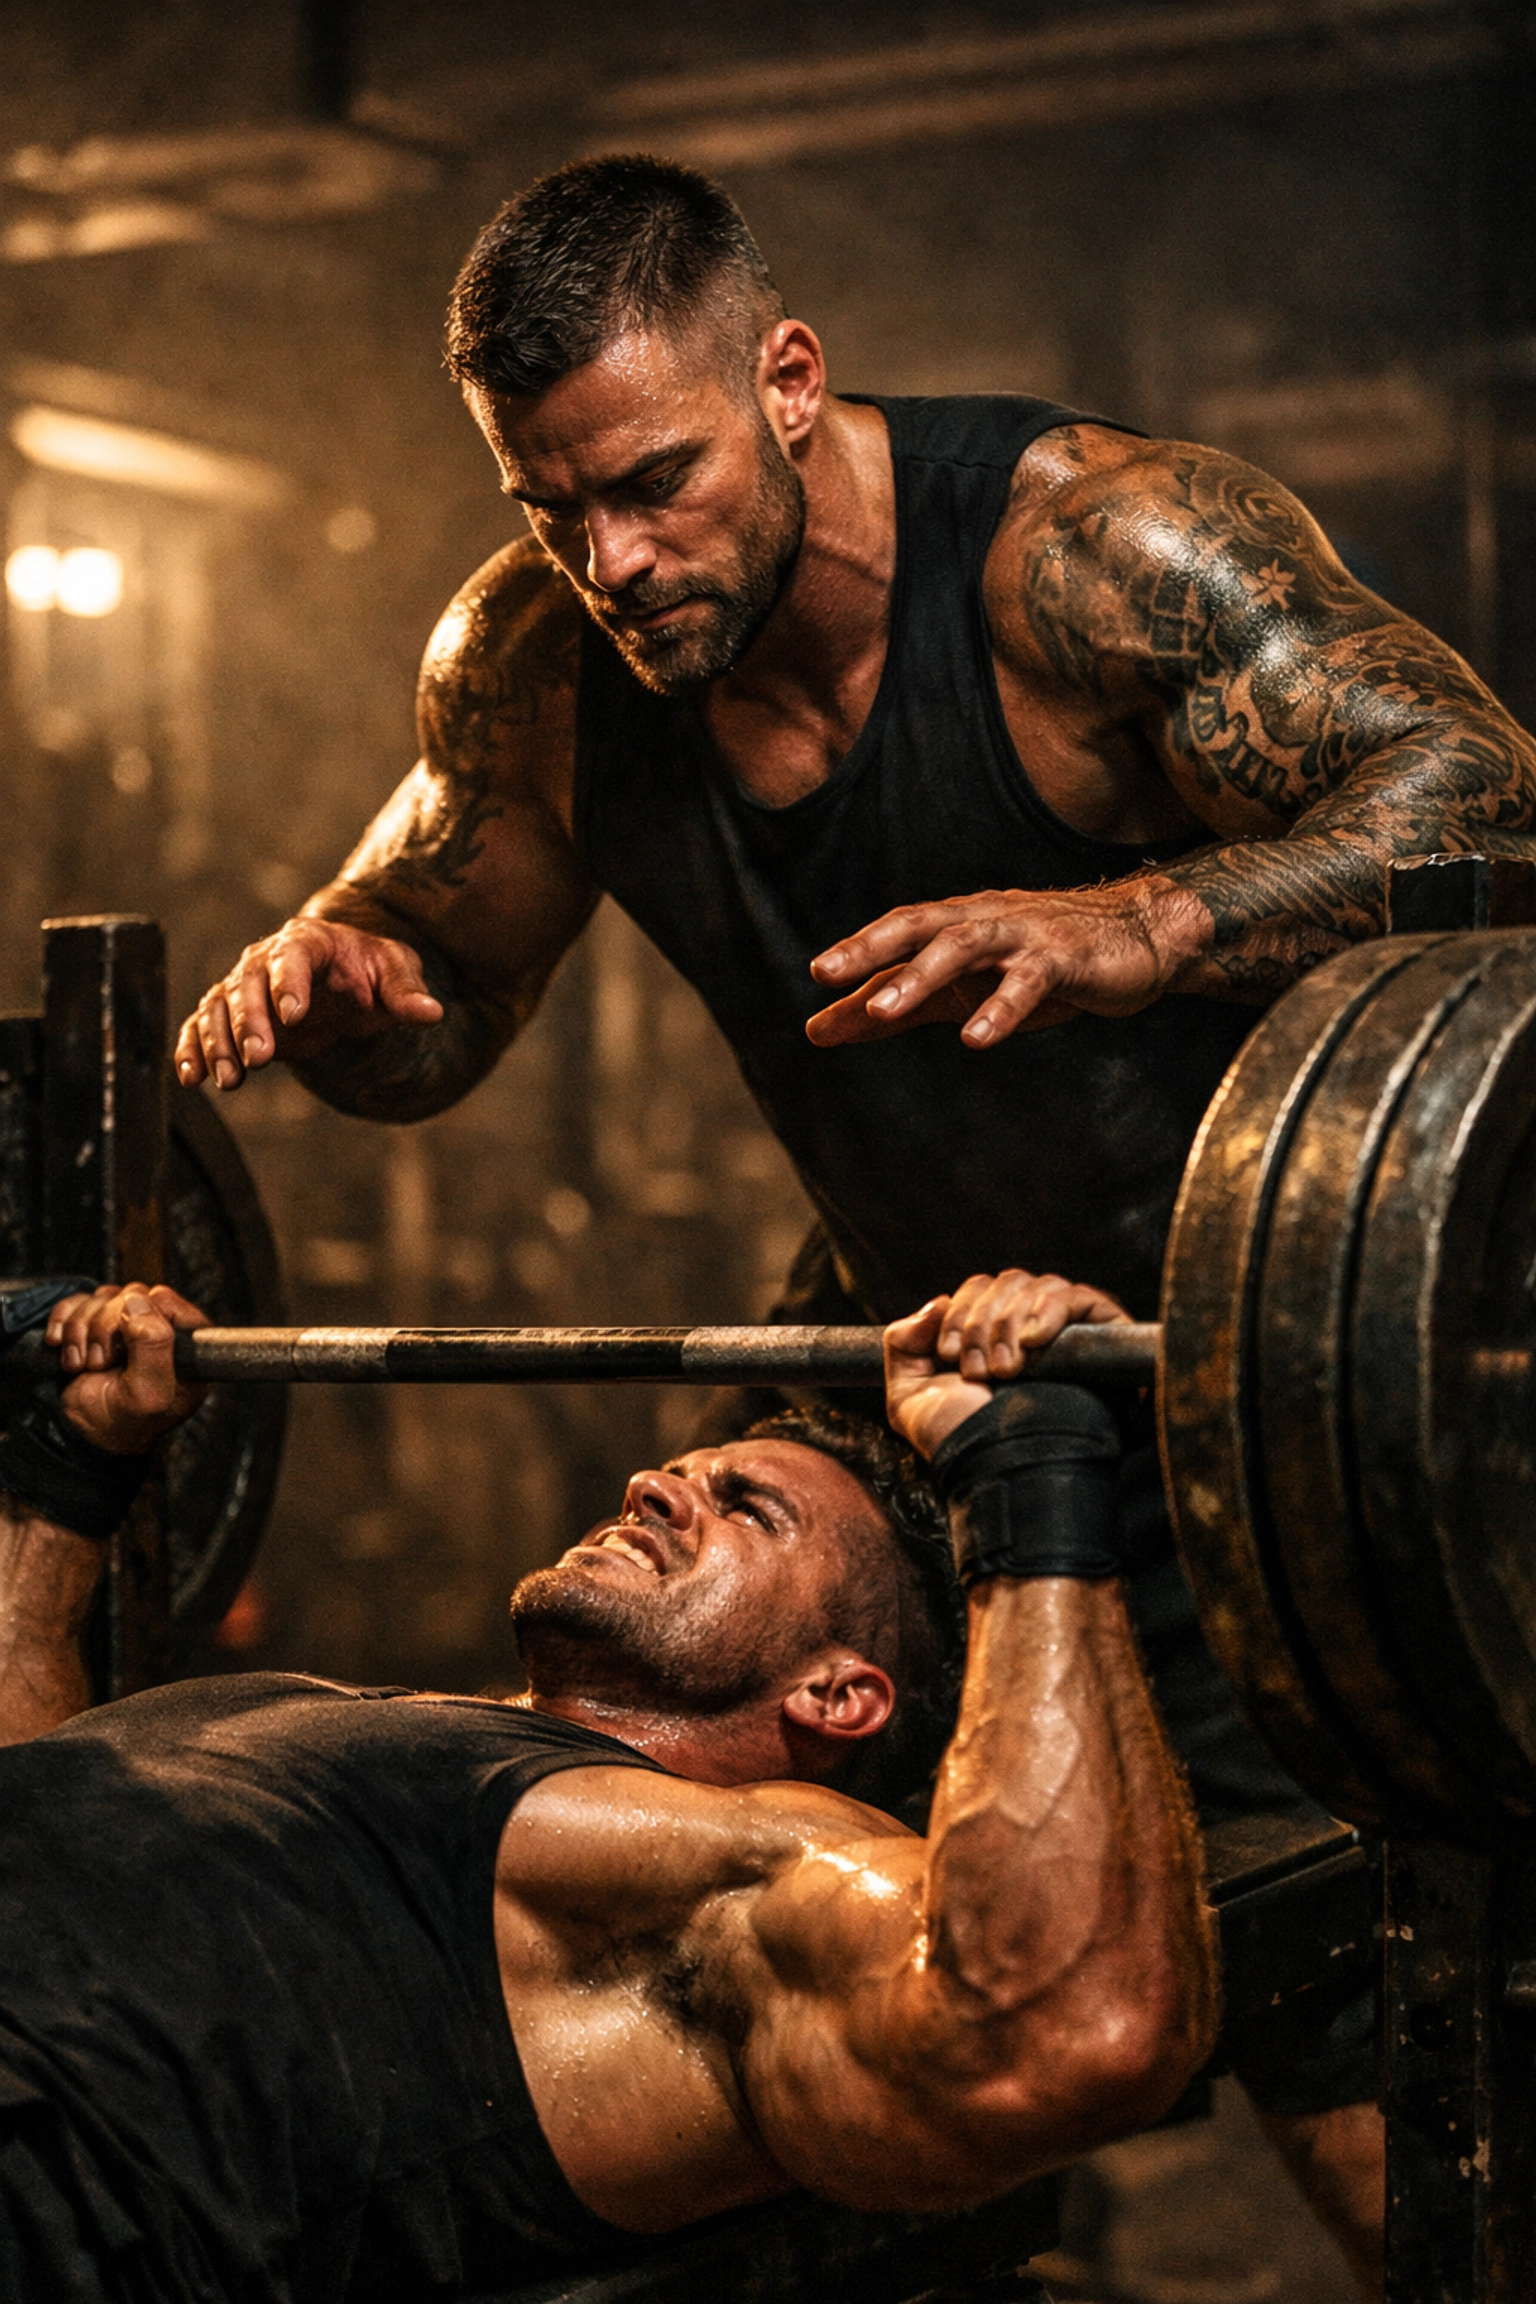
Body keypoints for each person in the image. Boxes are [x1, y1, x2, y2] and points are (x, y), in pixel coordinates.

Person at [170, 154, 1479, 2279]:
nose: (612, 556)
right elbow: (440, 1011)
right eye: (548, 507)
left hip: (1277, 1402)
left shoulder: (1094, 555)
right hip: (939, 1391)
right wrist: (350, 986)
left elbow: (1491, 810)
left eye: (657, 481)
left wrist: (1147, 919)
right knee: (811, 2028)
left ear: (789, 378)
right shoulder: (540, 666)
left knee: (1368, 2115)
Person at [0, 1271, 1212, 2304]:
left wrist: (1033, 1486)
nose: (651, 1487)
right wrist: (68, 1475)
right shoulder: (360, 1724)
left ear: (837, 1693)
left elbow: (1069, 2029)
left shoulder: (730, 1857)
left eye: (746, 1507)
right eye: (683, 1470)